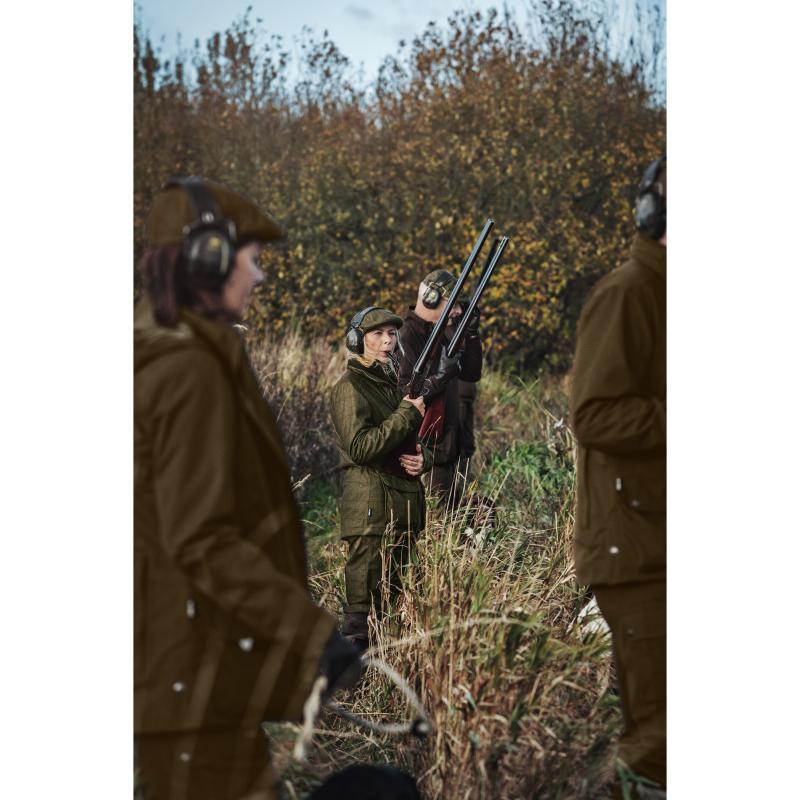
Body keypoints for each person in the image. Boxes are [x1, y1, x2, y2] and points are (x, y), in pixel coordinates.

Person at [134, 177, 361, 800]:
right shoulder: (186, 369)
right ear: (206, 258)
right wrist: (314, 634)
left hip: (188, 673)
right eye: (252, 261)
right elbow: (201, 537)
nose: (259, 277)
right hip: (189, 680)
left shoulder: (167, 350)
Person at [570, 156, 666, 798]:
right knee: (660, 737)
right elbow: (594, 412)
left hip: (664, 537)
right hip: (634, 549)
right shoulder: (628, 292)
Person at [328, 307, 432, 651]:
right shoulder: (349, 386)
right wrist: (406, 413)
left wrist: (422, 460)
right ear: (358, 341)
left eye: (391, 334)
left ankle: (382, 690)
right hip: (371, 514)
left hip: (399, 510)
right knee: (361, 616)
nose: (387, 341)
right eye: (377, 335)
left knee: (390, 610)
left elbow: (406, 441)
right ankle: (344, 696)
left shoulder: (391, 384)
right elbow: (360, 447)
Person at [397, 269, 483, 504]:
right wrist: (440, 377)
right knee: (438, 521)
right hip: (425, 450)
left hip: (450, 444)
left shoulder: (444, 331)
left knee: (454, 520)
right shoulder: (406, 337)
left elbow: (472, 373)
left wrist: (472, 334)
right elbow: (405, 395)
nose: (458, 311)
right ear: (430, 299)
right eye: (453, 304)